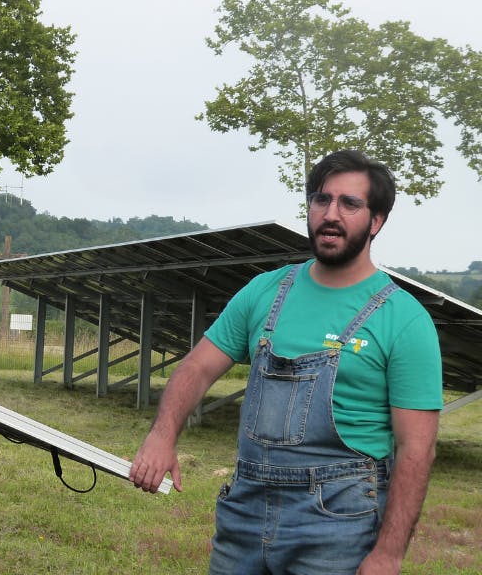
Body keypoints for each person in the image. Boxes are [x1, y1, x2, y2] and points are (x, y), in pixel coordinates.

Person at [129, 149, 443, 575]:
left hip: (338, 526)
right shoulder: (265, 291)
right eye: (321, 199)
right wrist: (162, 437)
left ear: (376, 221)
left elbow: (416, 448)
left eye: (349, 203)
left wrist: (388, 554)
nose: (331, 213)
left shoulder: (404, 319)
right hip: (243, 513)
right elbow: (197, 368)